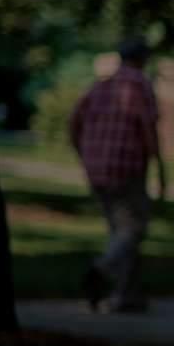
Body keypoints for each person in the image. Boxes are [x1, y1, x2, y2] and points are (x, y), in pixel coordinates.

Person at [71, 37, 166, 313]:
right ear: (142, 59)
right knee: (134, 228)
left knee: (118, 229)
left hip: (96, 169)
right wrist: (159, 166)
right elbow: (148, 127)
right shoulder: (139, 85)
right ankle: (101, 269)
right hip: (127, 169)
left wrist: (84, 153)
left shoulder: (100, 86)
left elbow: (73, 121)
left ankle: (126, 295)